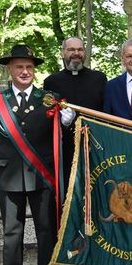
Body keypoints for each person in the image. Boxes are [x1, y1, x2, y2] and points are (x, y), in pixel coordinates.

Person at [0, 45, 74, 265]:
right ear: (10, 69)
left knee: (46, 233)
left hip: (42, 178)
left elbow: (59, 137)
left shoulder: (49, 98)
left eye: (29, 67)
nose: (25, 71)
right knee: (12, 235)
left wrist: (65, 122)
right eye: (19, 66)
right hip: (9, 178)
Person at [43, 36, 107, 190]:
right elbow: (46, 117)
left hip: (94, 147)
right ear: (63, 53)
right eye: (71, 49)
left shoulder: (99, 79)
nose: (76, 53)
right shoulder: (51, 82)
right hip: (65, 149)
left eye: (80, 49)